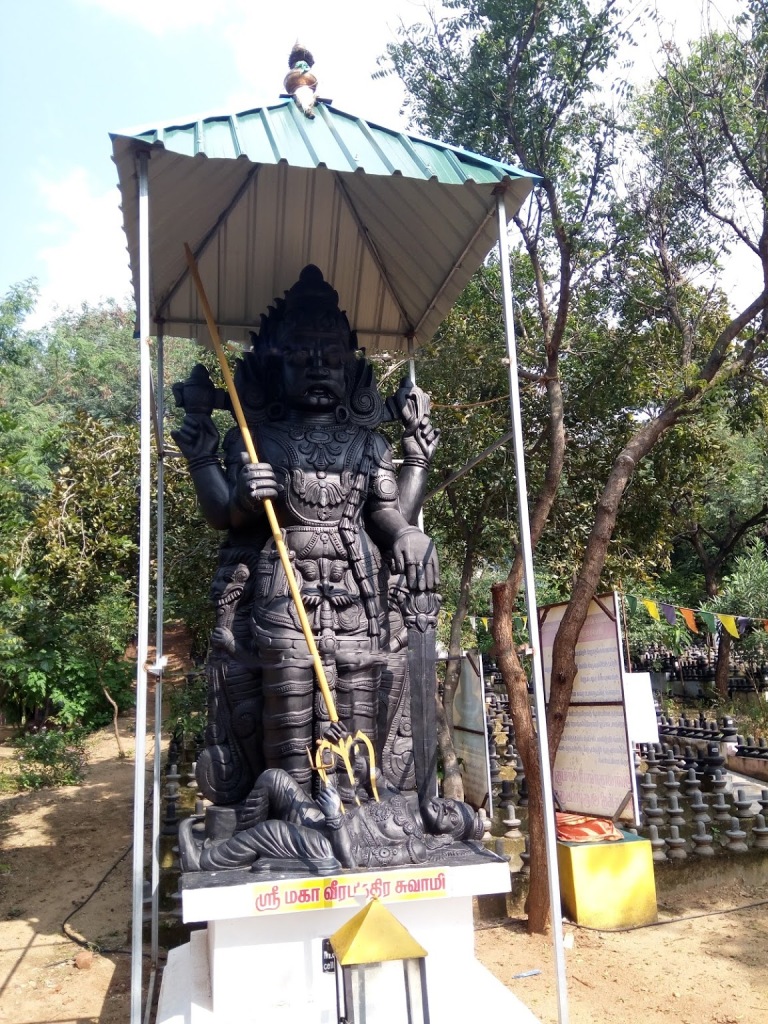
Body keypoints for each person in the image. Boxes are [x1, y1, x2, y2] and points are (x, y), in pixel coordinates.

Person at [172, 266, 440, 800]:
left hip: (358, 592)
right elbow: (225, 515)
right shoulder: (258, 438)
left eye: (331, 356)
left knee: (359, 695)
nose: (319, 366)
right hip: (282, 590)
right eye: (301, 356)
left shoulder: (368, 445)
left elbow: (384, 514)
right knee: (290, 704)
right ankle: (291, 810)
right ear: (277, 367)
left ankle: (361, 808)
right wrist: (246, 496)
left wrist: (407, 533)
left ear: (349, 366)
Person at [178, 767, 485, 874]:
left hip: (330, 843)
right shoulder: (406, 801)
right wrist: (361, 763)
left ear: (446, 836)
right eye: (449, 803)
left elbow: (352, 860)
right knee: (274, 779)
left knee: (270, 831)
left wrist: (336, 819)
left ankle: (204, 862)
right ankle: (232, 848)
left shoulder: (414, 847)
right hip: (323, 819)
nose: (444, 807)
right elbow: (373, 778)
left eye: (451, 816)